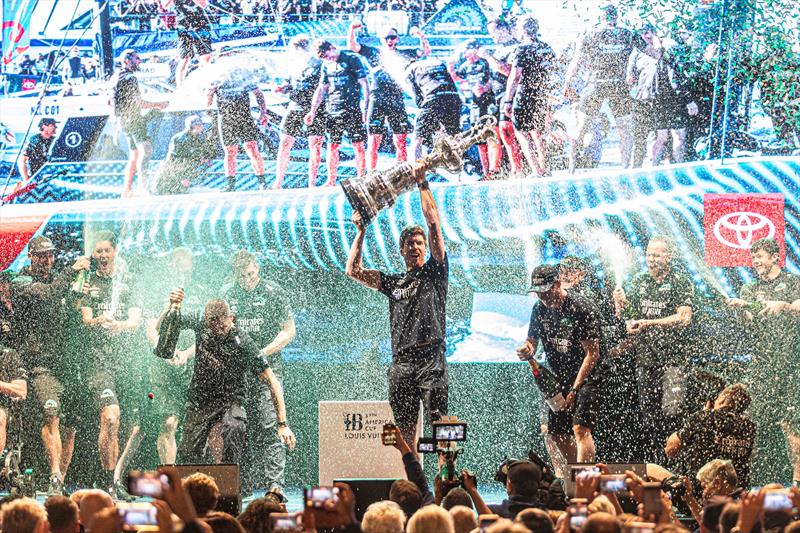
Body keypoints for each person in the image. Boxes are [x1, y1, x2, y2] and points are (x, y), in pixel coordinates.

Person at [345, 163, 447, 447]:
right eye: (410, 244)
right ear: (402, 250)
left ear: (425, 249)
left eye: (419, 243)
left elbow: (434, 225)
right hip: (401, 363)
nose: (415, 247)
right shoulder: (394, 283)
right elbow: (353, 270)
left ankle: (445, 483)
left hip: (431, 360)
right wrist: (361, 231)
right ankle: (415, 486)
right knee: (405, 432)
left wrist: (422, 182)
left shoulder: (435, 272)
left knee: (440, 426)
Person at [170, 295, 293, 469]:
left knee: (233, 429)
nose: (218, 331)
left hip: (231, 400)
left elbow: (272, 381)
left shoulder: (243, 342)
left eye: (222, 326)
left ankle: (231, 481)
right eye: (213, 327)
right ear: (207, 321)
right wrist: (172, 305)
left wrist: (282, 424)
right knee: (188, 452)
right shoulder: (200, 322)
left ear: (231, 318)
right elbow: (166, 324)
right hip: (201, 399)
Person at [11, 236, 90, 495]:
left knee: (70, 425)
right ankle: (54, 474)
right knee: (51, 413)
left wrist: (79, 301)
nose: (47, 260)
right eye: (42, 255)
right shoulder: (20, 282)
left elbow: (69, 315)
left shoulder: (58, 280)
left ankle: (60, 481)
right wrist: (71, 271)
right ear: (31, 256)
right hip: (39, 365)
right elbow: (47, 296)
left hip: (66, 363)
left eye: (50, 255)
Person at [612, 235, 694, 463]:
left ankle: (675, 465)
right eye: (648, 254)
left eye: (657, 255)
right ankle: (653, 464)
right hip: (645, 359)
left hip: (673, 361)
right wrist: (621, 306)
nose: (651, 259)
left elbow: (683, 317)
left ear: (669, 257)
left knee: (672, 414)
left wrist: (649, 323)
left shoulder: (681, 281)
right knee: (648, 417)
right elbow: (628, 319)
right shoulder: (639, 281)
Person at [222, 250, 297, 495]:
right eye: (242, 276)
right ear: (235, 275)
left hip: (268, 370)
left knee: (271, 424)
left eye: (251, 274)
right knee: (237, 428)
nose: (248, 280)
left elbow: (289, 331)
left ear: (258, 269)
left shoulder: (274, 292)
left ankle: (276, 486)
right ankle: (241, 484)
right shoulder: (227, 294)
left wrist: (262, 352)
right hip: (236, 373)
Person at [726, 237, 800, 486]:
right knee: (754, 422)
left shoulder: (792, 282)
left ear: (774, 257)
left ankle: (798, 486)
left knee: (792, 426)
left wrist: (785, 306)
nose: (755, 261)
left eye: (760, 256)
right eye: (753, 257)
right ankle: (752, 483)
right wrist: (738, 311)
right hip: (762, 367)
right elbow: (748, 319)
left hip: (791, 365)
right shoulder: (750, 289)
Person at [78, 230, 143, 493]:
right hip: (99, 362)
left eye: (107, 250)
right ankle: (108, 481)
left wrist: (120, 326)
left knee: (130, 424)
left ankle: (119, 476)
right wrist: (97, 321)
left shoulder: (129, 282)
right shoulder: (87, 282)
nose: (103, 255)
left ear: (115, 252)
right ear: (93, 255)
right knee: (110, 417)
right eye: (98, 251)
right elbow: (85, 318)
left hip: (126, 362)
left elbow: (135, 320)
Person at [517, 264, 601, 464]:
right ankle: (575, 476)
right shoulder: (539, 309)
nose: (542, 297)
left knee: (580, 429)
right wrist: (527, 348)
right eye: (537, 292)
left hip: (588, 374)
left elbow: (592, 354)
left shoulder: (581, 307)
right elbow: (532, 341)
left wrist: (574, 390)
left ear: (557, 284)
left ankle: (585, 483)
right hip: (559, 375)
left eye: (545, 292)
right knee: (558, 434)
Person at [558, 256, 637, 462]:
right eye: (562, 271)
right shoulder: (559, 301)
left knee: (590, 427)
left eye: (570, 271)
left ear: (581, 275)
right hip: (574, 371)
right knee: (560, 428)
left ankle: (588, 478)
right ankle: (568, 478)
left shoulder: (594, 299)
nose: (564, 275)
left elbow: (629, 330)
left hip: (604, 373)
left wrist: (622, 309)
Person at [561, 4, 645, 172]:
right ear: (616, 17)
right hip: (618, 86)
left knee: (582, 127)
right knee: (625, 129)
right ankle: (625, 168)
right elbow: (653, 52)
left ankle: (571, 168)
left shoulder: (589, 34)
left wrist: (567, 84)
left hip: (595, 84)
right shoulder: (628, 34)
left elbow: (576, 62)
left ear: (601, 18)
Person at [349, 22, 426, 170]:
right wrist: (351, 29)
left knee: (400, 139)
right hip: (377, 98)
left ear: (397, 39)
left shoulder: (405, 53)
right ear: (381, 39)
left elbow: (425, 51)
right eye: (386, 38)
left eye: (392, 37)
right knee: (373, 140)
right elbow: (353, 46)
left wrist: (421, 36)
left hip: (396, 98)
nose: (389, 40)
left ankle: (401, 170)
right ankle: (371, 172)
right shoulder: (373, 52)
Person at [665, 384, 756, 488]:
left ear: (723, 398)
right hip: (736, 495)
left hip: (703, 492)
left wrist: (703, 415)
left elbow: (671, 450)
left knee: (651, 469)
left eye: (717, 398)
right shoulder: (750, 426)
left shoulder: (705, 417)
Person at [305, 40, 369, 185]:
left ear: (332, 48)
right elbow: (321, 89)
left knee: (357, 144)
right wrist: (312, 111)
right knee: (332, 145)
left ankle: (361, 177)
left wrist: (366, 108)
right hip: (333, 109)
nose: (329, 59)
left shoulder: (352, 59)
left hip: (352, 108)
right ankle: (331, 180)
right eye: (325, 58)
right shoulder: (325, 65)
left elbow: (364, 84)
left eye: (329, 56)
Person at [110, 49, 169, 197]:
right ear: (127, 61)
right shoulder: (130, 78)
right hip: (133, 118)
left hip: (123, 120)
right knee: (146, 150)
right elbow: (139, 102)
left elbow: (110, 101)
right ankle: (144, 188)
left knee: (134, 155)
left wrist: (118, 115)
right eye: (137, 59)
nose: (140, 61)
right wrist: (159, 104)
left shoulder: (115, 76)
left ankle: (127, 190)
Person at [503, 15, 556, 176]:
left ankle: (536, 170)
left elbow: (515, 77)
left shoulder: (522, 49)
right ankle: (545, 168)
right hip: (542, 94)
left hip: (525, 94)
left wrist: (507, 100)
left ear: (523, 30)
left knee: (522, 132)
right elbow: (554, 70)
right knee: (539, 132)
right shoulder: (547, 48)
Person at [274, 35, 326, 189]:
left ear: (300, 48)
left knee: (315, 145)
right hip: (295, 104)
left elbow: (322, 87)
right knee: (285, 141)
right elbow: (289, 83)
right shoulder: (293, 64)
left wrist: (314, 110)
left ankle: (312, 183)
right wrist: (282, 87)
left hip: (316, 107)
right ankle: (278, 183)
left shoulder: (319, 64)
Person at [207, 76, 269, 191]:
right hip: (226, 119)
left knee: (252, 149)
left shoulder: (242, 74)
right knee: (230, 151)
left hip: (244, 117)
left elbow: (258, 93)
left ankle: (262, 182)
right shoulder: (216, 76)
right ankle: (230, 185)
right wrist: (210, 93)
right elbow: (208, 104)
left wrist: (263, 112)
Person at [481, 17, 524, 175]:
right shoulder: (499, 49)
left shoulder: (515, 48)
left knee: (509, 132)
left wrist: (488, 57)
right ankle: (494, 170)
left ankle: (517, 168)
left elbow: (508, 71)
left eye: (493, 32)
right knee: (494, 134)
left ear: (504, 29)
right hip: (495, 96)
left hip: (509, 95)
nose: (491, 36)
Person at [449, 39, 496, 178]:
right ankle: (486, 173)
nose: (465, 53)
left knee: (492, 138)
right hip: (474, 107)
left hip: (489, 105)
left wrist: (485, 87)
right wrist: (450, 66)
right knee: (480, 140)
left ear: (475, 49)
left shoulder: (485, 63)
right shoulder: (465, 66)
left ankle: (495, 170)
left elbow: (494, 79)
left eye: (467, 49)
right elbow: (456, 78)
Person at [405, 57, 461, 160]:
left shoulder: (410, 70)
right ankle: (460, 164)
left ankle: (416, 168)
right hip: (454, 98)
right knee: (454, 135)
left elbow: (418, 97)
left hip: (433, 98)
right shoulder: (438, 63)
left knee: (418, 137)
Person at [154, 114, 217, 195]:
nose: (201, 127)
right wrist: (182, 177)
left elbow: (196, 155)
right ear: (191, 127)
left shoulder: (197, 138)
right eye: (198, 125)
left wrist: (202, 159)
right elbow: (173, 160)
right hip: (169, 175)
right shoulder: (180, 138)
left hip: (181, 174)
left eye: (201, 125)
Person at [161, 0, 213, 87]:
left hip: (201, 25)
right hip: (183, 27)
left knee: (206, 57)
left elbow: (204, 4)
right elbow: (165, 6)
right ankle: (180, 87)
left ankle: (206, 84)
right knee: (185, 58)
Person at [18, 118, 59, 183]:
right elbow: (22, 160)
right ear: (44, 127)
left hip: (49, 177)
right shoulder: (34, 141)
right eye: (52, 125)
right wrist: (26, 178)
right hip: (35, 177)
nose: (55, 127)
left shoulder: (55, 140)